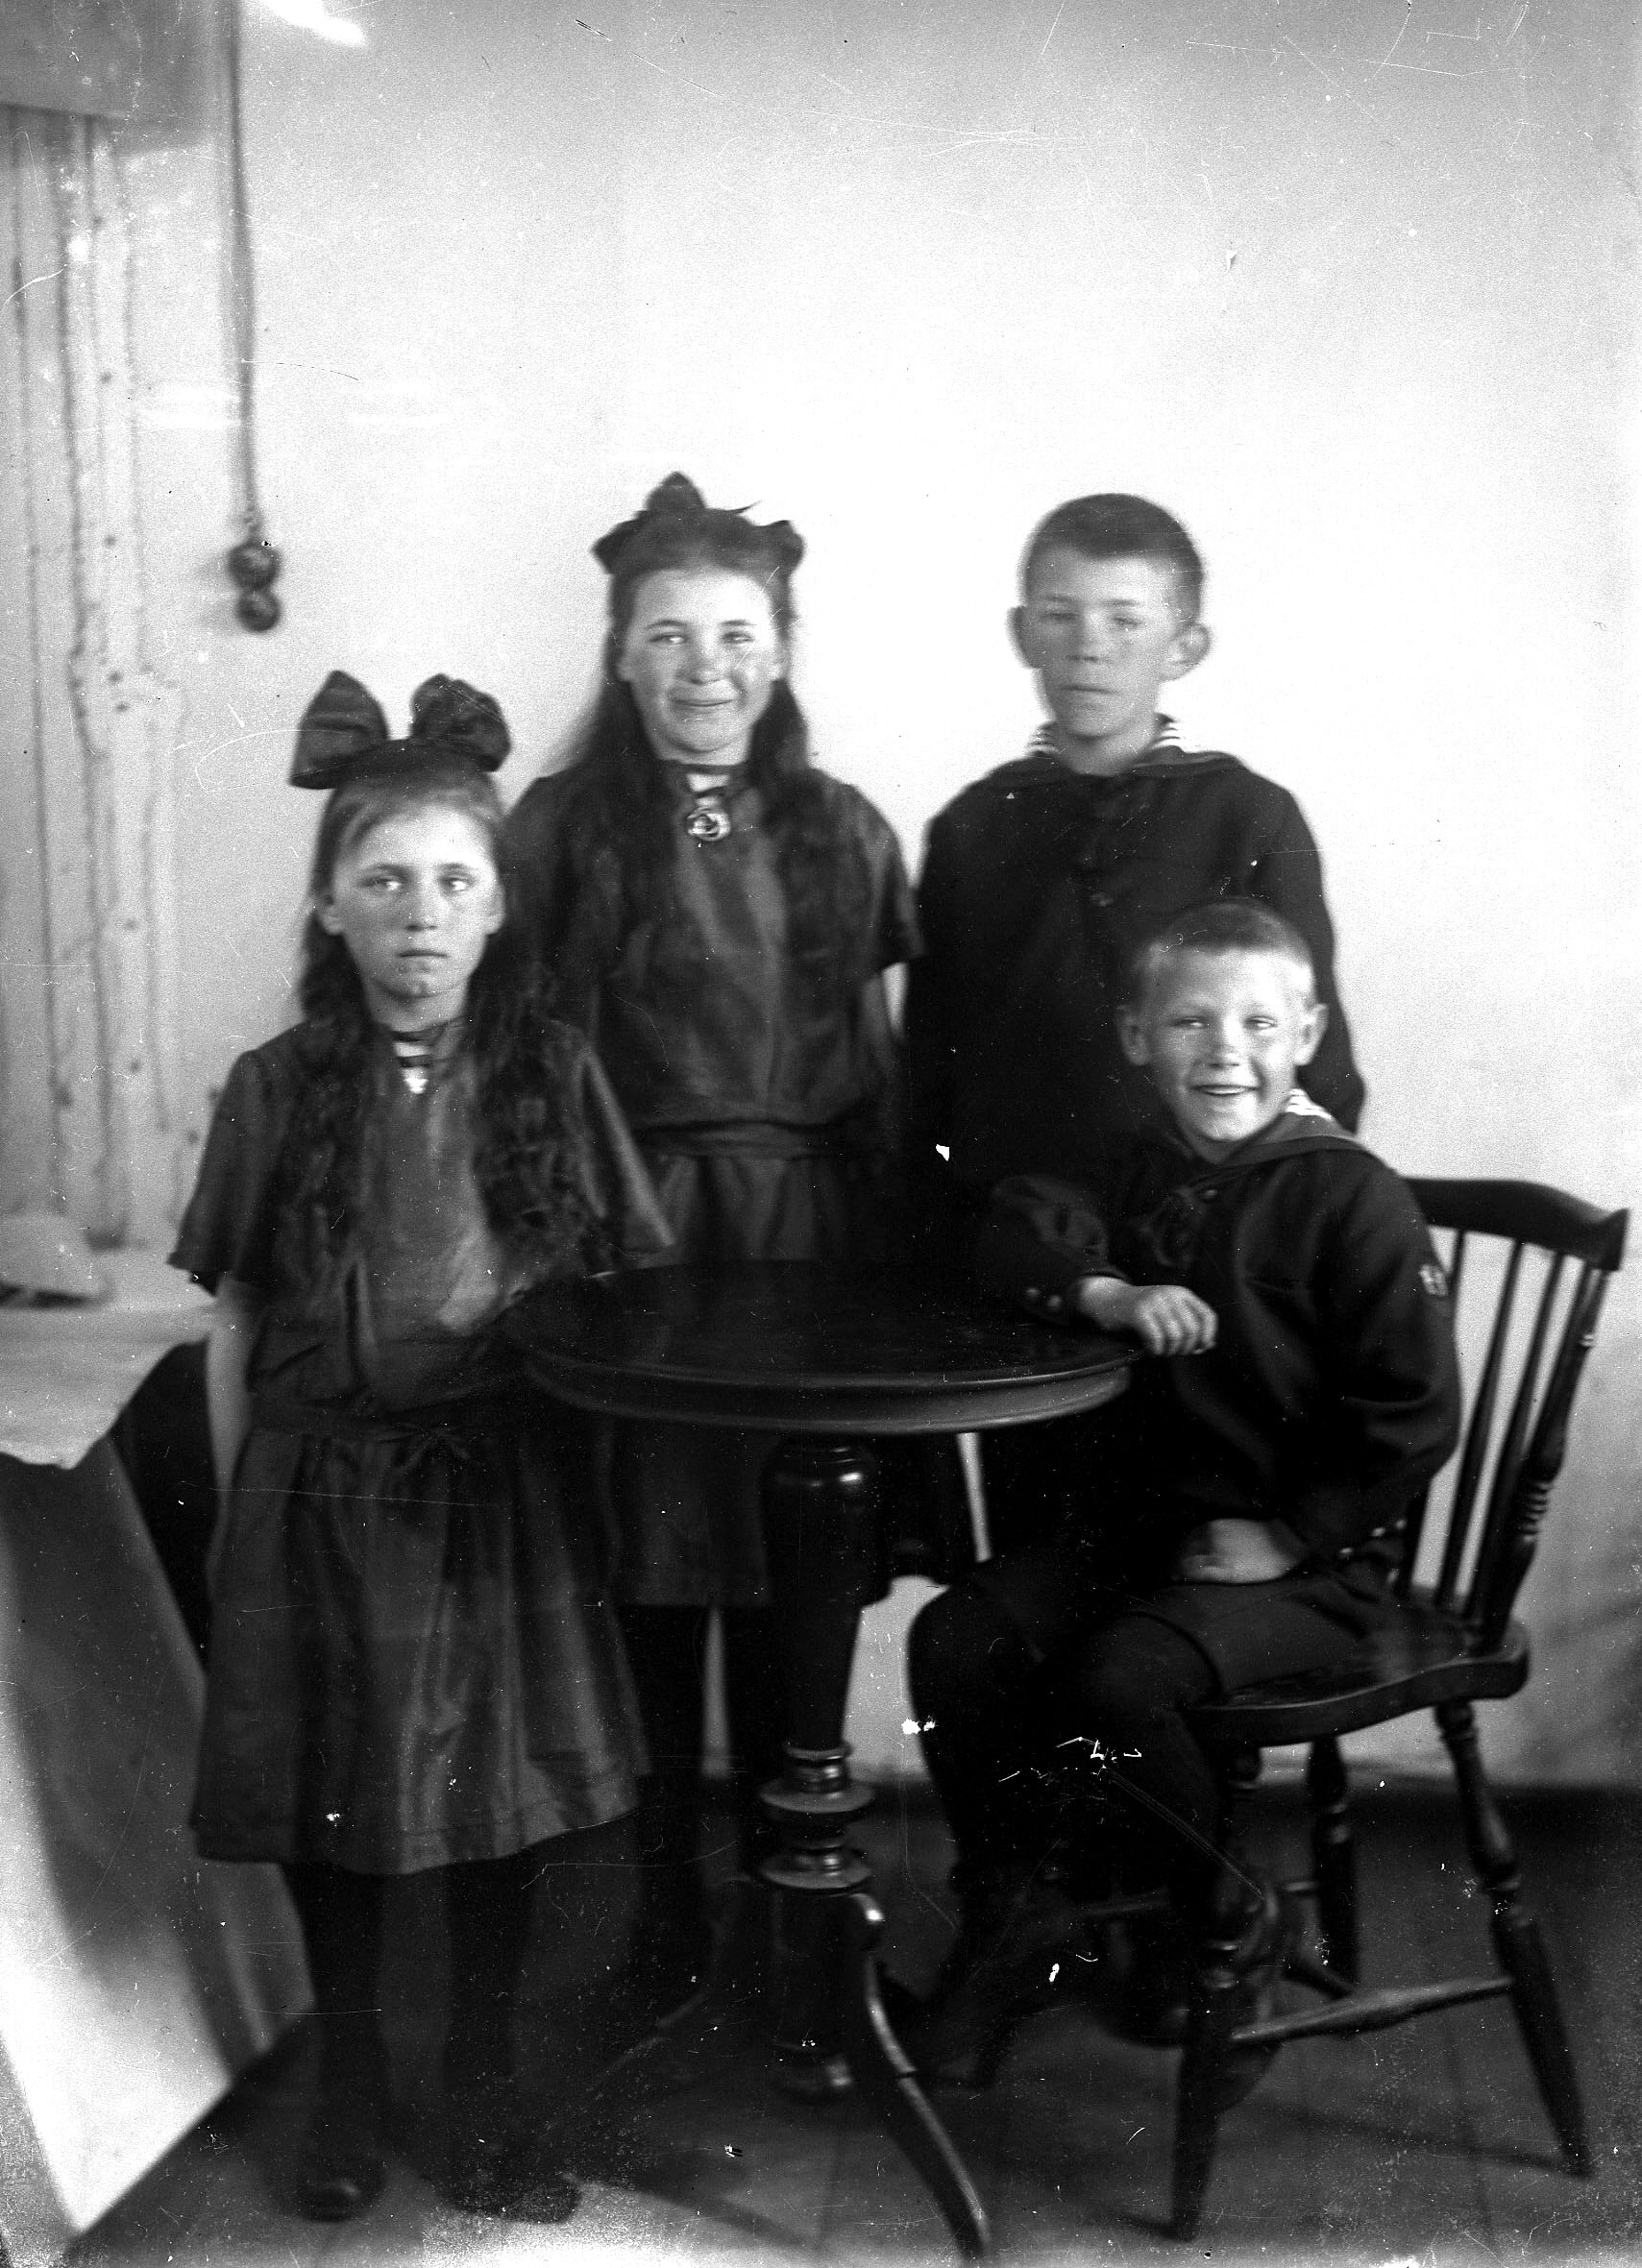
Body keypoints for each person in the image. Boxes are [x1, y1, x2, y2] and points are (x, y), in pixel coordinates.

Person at [170, 671, 671, 2223]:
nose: (420, 916)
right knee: (336, 1816)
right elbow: (239, 1321)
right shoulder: (273, 1090)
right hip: (316, 1492)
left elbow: (619, 1306)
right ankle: (348, 2084)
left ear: (498, 906)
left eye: (455, 881)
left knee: (491, 1812)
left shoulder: (549, 1074)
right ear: (329, 907)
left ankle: (481, 2088)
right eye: (383, 881)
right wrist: (238, 1515)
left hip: (495, 1493)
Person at [901, 900, 1459, 2086]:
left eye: (1256, 1023)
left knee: (1118, 1680)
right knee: (956, 1637)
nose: (1223, 1052)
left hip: (1306, 1567)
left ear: (1307, 1034)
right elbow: (1009, 1232)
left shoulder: (1348, 1196)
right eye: (1189, 1022)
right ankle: (1019, 1907)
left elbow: (1412, 1415)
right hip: (1146, 1539)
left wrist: (1288, 1535)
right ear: (1134, 1036)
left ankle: (1227, 1911)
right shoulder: (1132, 1166)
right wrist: (1100, 1290)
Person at [506, 473, 926, 2013]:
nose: (706, 668)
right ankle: (662, 1912)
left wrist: (898, 1268)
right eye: (670, 636)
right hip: (634, 1240)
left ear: (782, 650)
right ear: (620, 654)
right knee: (651, 1581)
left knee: (787, 1576)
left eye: (738, 635)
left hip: (807, 1244)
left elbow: (879, 1068)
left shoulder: (842, 829)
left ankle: (790, 1912)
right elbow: (523, 1060)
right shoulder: (560, 830)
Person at [905, 492, 1366, 1553]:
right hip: (1034, 1275)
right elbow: (929, 1072)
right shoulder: (972, 828)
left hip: (1211, 1272)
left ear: (1184, 646)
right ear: (1020, 632)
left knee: (1187, 1558)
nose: (1089, 647)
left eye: (1124, 619)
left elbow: (1315, 1067)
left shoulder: (1245, 815)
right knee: (1041, 1559)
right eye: (1059, 615)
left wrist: (1257, 1250)